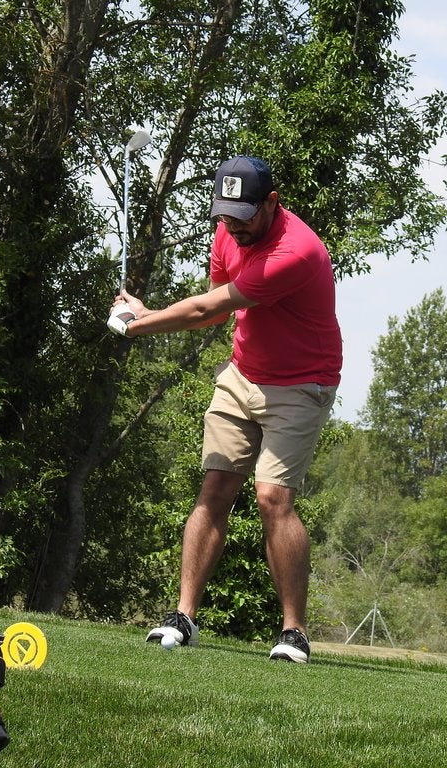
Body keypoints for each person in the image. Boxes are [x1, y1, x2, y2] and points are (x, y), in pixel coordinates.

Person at [108, 155, 342, 663]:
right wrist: (146, 312)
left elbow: (205, 308)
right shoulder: (228, 232)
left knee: (273, 497)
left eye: (243, 215)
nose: (232, 225)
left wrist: (135, 325)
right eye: (224, 214)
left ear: (273, 203)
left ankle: (294, 632)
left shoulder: (295, 251)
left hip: (302, 382)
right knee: (215, 485)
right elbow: (214, 306)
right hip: (242, 373)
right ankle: (183, 618)